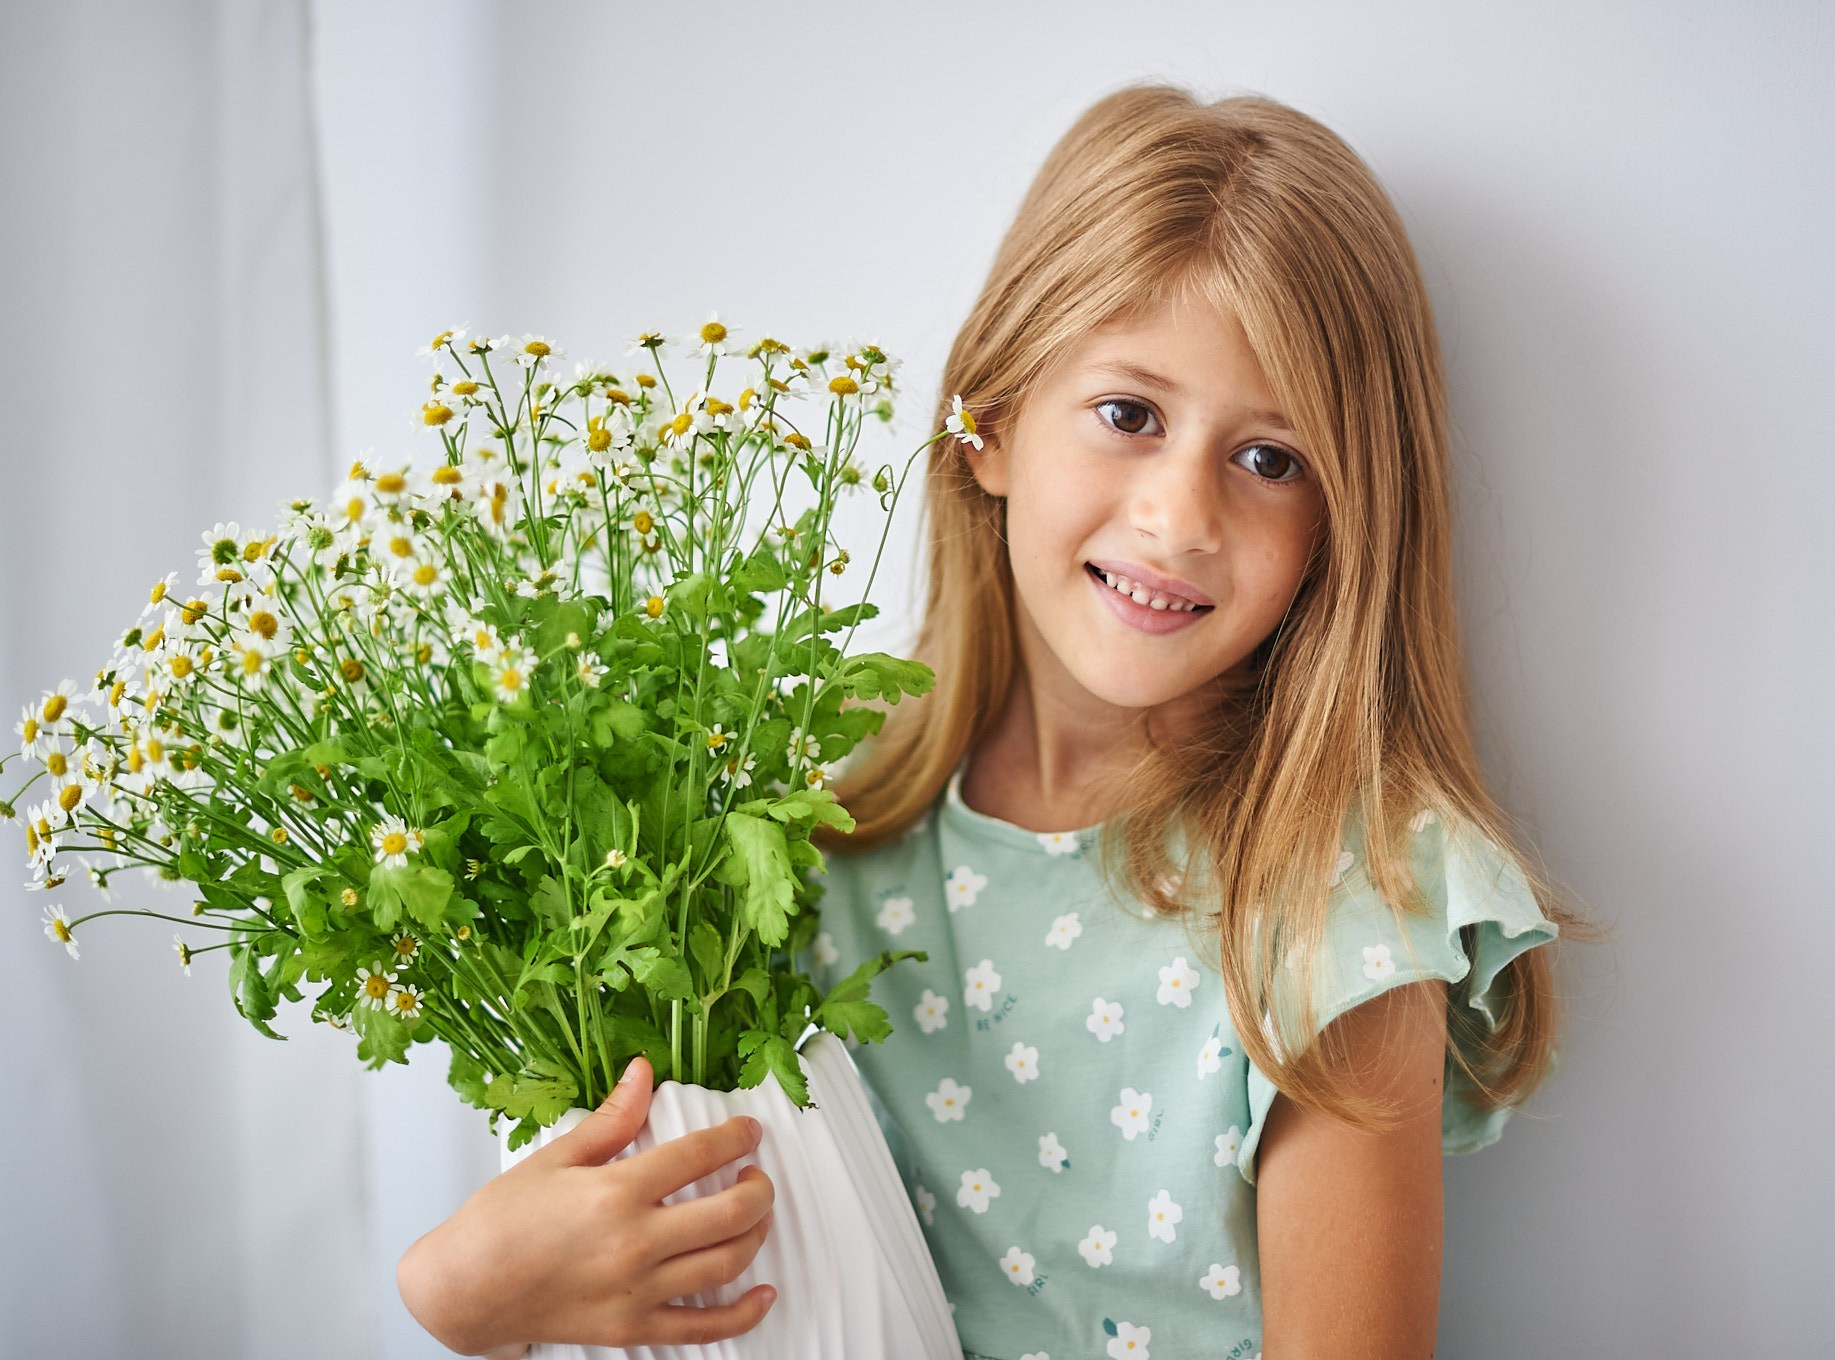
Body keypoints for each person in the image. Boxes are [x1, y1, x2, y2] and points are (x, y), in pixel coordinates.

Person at [399, 80, 1589, 1359]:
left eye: (1269, 459)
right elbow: (658, 1234)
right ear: (989, 424)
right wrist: (457, 1294)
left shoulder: (1334, 899)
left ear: (1342, 521)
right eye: (1128, 415)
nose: (1180, 517)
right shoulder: (793, 790)